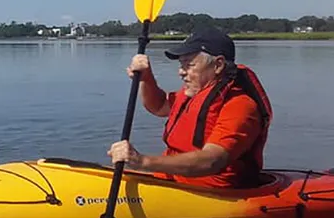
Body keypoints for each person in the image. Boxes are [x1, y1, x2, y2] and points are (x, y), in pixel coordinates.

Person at [107, 27, 273, 189]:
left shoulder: (240, 106)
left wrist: (143, 161)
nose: (181, 72)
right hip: (171, 181)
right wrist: (146, 78)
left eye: (189, 65)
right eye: (181, 64)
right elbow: (159, 106)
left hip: (210, 192)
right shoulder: (194, 93)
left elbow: (212, 160)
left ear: (218, 65)